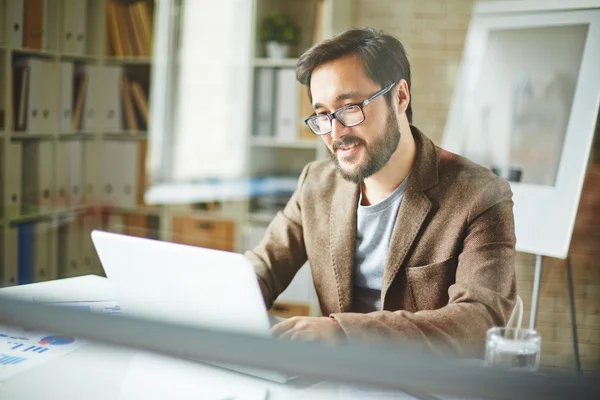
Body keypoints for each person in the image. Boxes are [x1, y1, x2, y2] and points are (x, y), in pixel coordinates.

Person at [244, 27, 517, 358]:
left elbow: (479, 322)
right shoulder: (316, 183)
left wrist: (343, 334)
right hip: (335, 382)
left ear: (400, 96)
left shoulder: (479, 195)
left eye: (350, 108)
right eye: (322, 115)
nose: (336, 132)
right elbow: (261, 268)